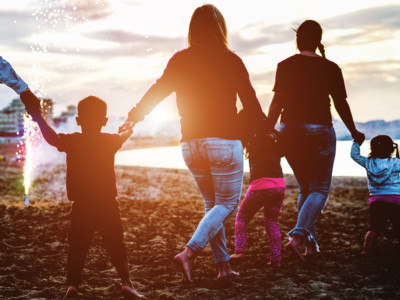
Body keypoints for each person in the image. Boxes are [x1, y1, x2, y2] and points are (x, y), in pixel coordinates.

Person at [120, 4, 263, 281]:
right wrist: (266, 131)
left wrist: (133, 117)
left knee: (212, 207)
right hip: (223, 142)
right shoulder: (231, 60)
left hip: (191, 145)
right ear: (220, 29)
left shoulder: (180, 59)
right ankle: (189, 252)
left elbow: (157, 91)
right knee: (227, 204)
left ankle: (223, 268)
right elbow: (251, 102)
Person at [20, 94, 144, 299]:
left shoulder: (73, 141)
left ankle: (73, 287)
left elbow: (51, 138)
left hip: (82, 205)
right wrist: (134, 119)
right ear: (104, 121)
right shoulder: (109, 140)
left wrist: (39, 117)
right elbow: (125, 132)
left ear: (78, 120)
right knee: (116, 244)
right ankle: (127, 283)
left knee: (77, 246)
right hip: (107, 204)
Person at [267, 20, 365, 261]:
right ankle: (298, 237)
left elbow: (277, 103)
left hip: (289, 132)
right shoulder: (330, 67)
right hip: (319, 131)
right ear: (318, 40)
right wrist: (353, 131)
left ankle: (311, 246)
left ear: (297, 41)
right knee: (320, 189)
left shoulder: (285, 65)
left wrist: (267, 130)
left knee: (306, 188)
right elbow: (341, 104)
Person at [230, 110, 285, 267]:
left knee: (242, 217)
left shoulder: (253, 138)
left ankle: (239, 251)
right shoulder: (274, 136)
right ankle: (276, 260)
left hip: (260, 186)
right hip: (279, 185)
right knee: (272, 222)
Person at [351, 135, 400, 256]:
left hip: (377, 199)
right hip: (395, 199)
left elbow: (354, 155)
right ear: (391, 149)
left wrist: (356, 142)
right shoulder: (395, 162)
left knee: (374, 227)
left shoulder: (368, 162)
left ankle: (365, 251)